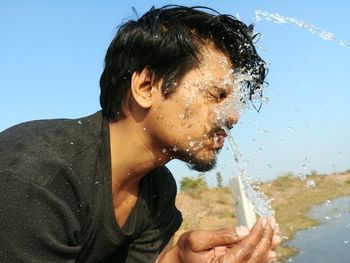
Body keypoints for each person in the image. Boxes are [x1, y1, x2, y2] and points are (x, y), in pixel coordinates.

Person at [0, 5, 280, 263]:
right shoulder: (40, 178)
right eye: (217, 95)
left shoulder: (158, 190)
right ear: (147, 87)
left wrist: (177, 259)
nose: (232, 116)